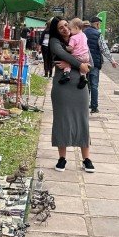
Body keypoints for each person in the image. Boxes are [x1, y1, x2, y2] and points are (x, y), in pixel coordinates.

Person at [48, 17, 94, 173]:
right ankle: (62, 158)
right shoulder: (55, 42)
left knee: (82, 120)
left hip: (79, 86)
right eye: (60, 27)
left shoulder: (81, 39)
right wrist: (79, 64)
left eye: (66, 25)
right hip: (62, 88)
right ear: (56, 30)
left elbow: (90, 65)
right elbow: (63, 54)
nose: (65, 29)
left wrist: (70, 64)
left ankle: (86, 159)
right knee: (62, 121)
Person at [84, 16, 119, 113]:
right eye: (99, 24)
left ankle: (84, 105)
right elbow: (104, 49)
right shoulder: (98, 34)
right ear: (97, 24)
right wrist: (112, 60)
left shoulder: (83, 33)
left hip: (84, 63)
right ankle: (94, 107)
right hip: (94, 63)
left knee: (86, 84)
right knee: (94, 85)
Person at [58, 18, 90, 89]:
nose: (70, 30)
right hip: (86, 56)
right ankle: (83, 77)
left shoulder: (73, 37)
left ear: (76, 28)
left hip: (78, 55)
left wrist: (65, 47)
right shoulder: (84, 35)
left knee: (68, 60)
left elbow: (70, 48)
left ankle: (66, 74)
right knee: (83, 66)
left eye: (70, 29)